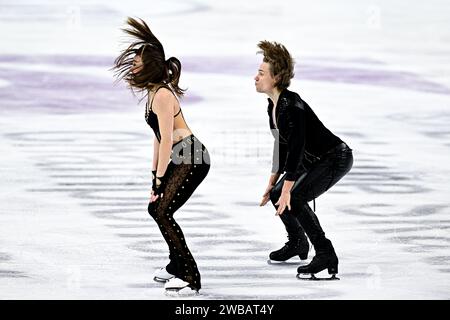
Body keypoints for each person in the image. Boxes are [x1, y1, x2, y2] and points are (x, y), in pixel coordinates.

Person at [113, 17, 210, 294]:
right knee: (157, 209)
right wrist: (154, 176)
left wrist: (160, 178)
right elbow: (157, 138)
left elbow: (168, 138)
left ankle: (189, 274)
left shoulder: (163, 96)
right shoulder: (153, 92)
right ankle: (175, 265)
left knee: (163, 211)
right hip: (181, 157)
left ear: (150, 66)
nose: (133, 64)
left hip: (192, 157)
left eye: (137, 61)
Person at [256, 41, 353, 279]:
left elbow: (297, 149)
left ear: (276, 77)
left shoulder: (291, 105)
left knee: (294, 197)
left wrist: (289, 187)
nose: (255, 77)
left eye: (260, 73)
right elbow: (282, 144)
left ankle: (325, 252)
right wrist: (273, 182)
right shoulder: (274, 105)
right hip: (315, 160)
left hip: (335, 157)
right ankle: (298, 243)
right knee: (279, 195)